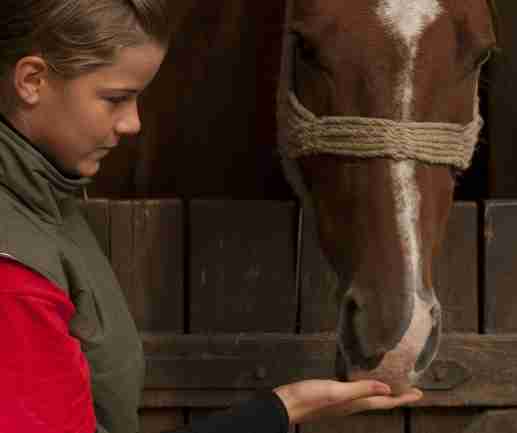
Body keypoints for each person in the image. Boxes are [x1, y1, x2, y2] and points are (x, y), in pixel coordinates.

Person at [0, 1, 423, 432]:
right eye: (116, 99)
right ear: (32, 81)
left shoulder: (46, 207)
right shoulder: (14, 268)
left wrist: (284, 408)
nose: (132, 123)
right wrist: (281, 410)